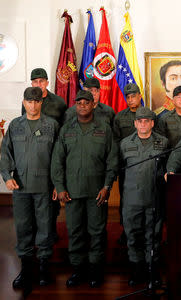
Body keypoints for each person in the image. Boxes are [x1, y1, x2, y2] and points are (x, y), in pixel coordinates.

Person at [51, 90, 118, 288]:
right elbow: (57, 161)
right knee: (75, 232)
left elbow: (112, 162)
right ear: (75, 105)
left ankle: (96, 271)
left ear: (92, 105)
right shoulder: (66, 130)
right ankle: (78, 270)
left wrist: (107, 186)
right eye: (78, 103)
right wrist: (60, 187)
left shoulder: (104, 129)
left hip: (97, 192)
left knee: (97, 232)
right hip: (72, 193)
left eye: (86, 102)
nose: (82, 106)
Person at [1, 87, 59, 291]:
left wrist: (57, 184)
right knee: (24, 227)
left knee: (45, 227)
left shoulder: (52, 125)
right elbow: (5, 154)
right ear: (24, 102)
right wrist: (7, 177)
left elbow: (58, 158)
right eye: (29, 101)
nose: (33, 105)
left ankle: (43, 268)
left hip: (44, 186)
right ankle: (26, 269)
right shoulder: (15, 126)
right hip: (21, 187)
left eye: (36, 101)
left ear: (41, 102)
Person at [120, 107, 168, 288]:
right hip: (131, 199)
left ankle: (152, 271)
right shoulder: (125, 144)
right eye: (139, 121)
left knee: (153, 236)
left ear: (152, 123)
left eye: (147, 121)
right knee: (133, 236)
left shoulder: (162, 143)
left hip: (153, 199)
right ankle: (136, 271)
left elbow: (167, 168)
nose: (143, 124)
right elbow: (118, 169)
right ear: (135, 123)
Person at [24, 67, 67, 243]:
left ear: (47, 83)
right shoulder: (27, 100)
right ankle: (35, 231)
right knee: (34, 195)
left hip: (53, 153)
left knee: (51, 195)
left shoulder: (58, 102)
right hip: (34, 154)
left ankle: (50, 229)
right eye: (35, 81)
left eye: (41, 81)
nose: (38, 84)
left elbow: (63, 130)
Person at [113, 83, 142, 245]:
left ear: (140, 96)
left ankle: (143, 231)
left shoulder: (149, 115)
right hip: (127, 166)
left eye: (134, 96)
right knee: (126, 200)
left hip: (145, 165)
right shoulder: (119, 117)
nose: (131, 99)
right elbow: (116, 143)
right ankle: (126, 230)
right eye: (128, 97)